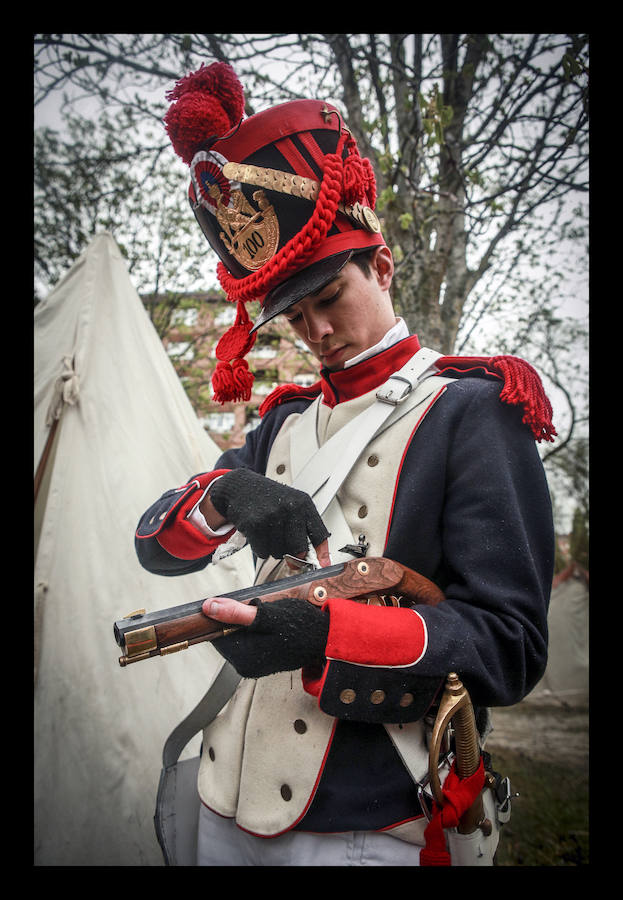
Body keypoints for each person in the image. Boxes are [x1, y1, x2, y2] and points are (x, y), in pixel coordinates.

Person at [135, 61, 555, 866]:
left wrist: (326, 632)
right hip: (226, 788)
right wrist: (226, 494)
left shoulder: (474, 408)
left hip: (368, 816)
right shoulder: (288, 419)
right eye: (295, 314)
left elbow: (508, 645)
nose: (317, 330)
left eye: (330, 297)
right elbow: (156, 546)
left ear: (383, 268)